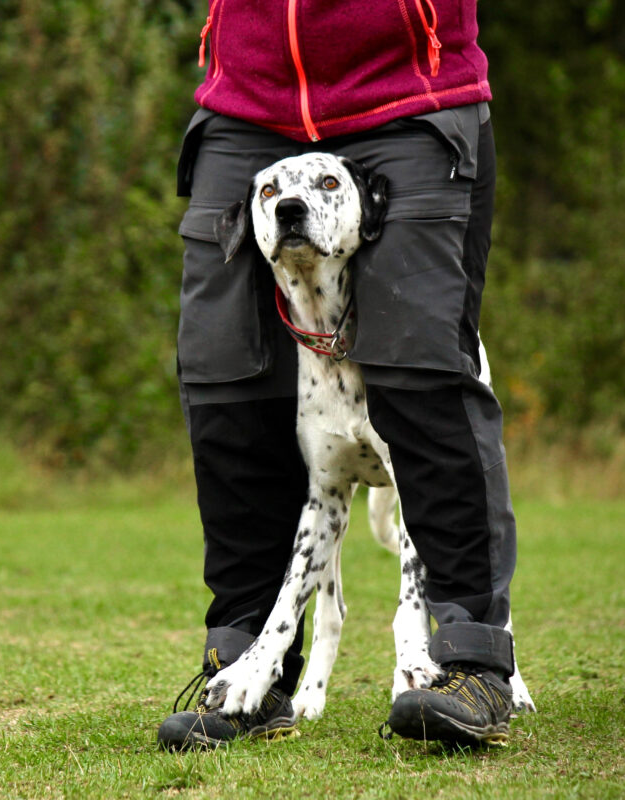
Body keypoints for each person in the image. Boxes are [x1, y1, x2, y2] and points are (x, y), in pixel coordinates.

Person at [157, 0, 519, 750]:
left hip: (408, 92)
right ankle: (245, 669)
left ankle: (470, 661)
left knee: (419, 368)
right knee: (224, 377)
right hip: (246, 96)